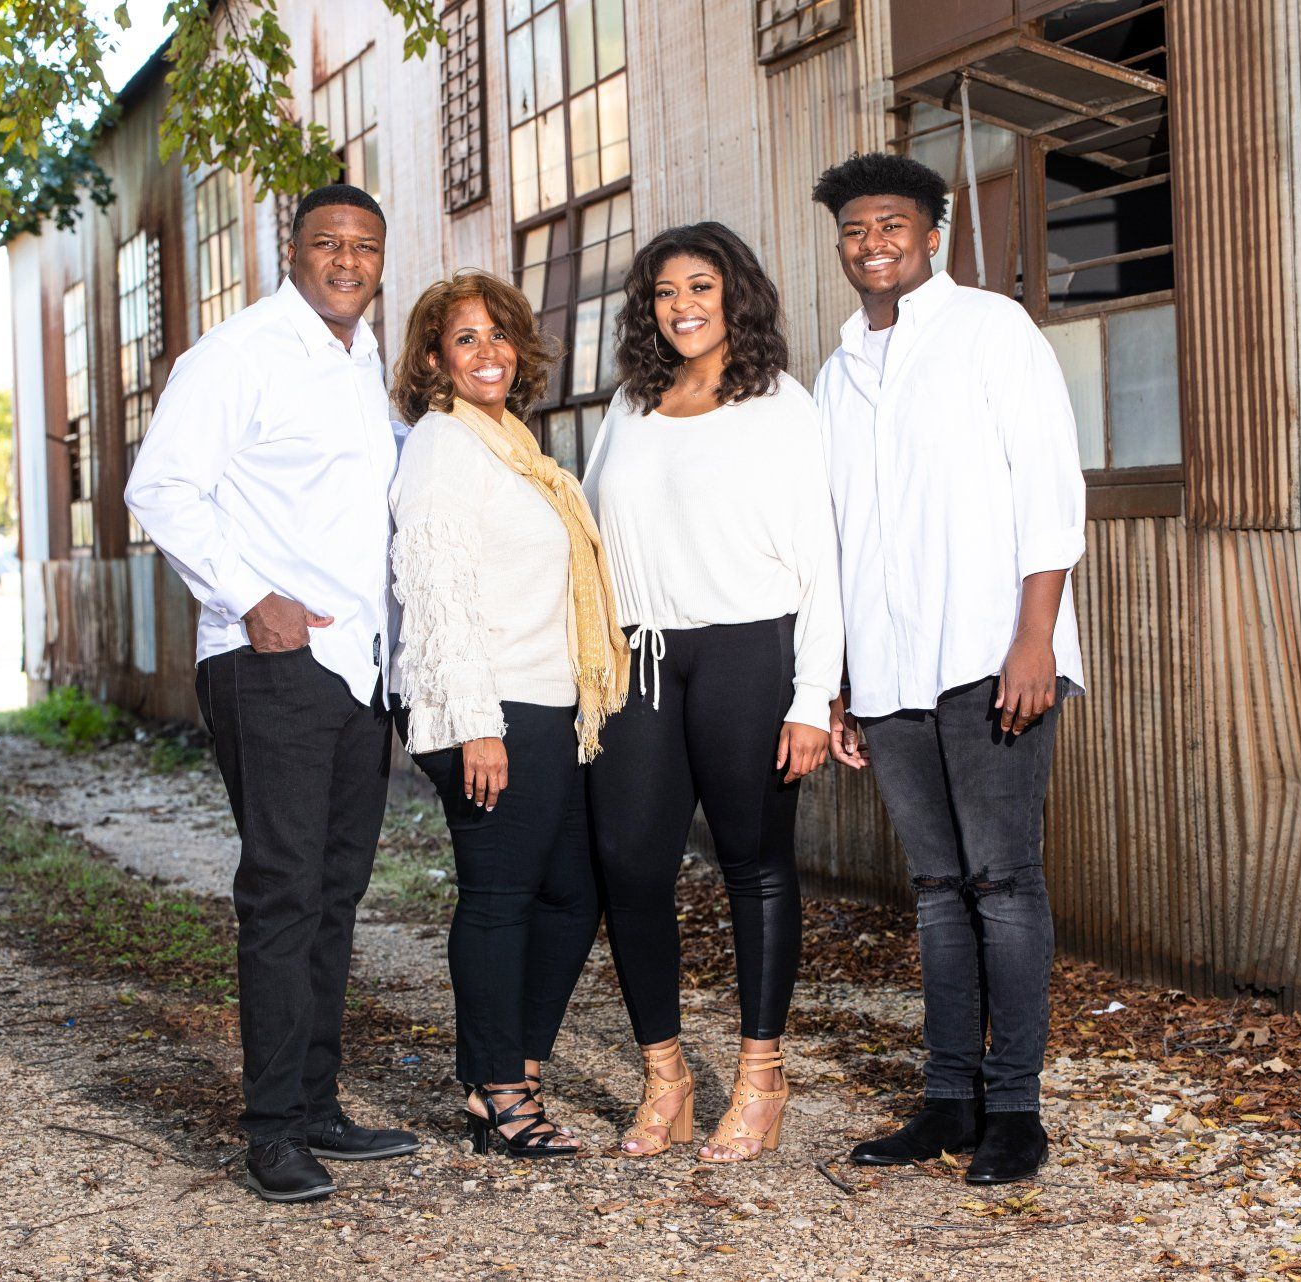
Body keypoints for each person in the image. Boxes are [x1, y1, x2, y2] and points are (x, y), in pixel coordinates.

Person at [124, 183, 420, 1203]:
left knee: (336, 892)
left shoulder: (365, 358)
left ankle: (318, 1101)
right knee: (284, 889)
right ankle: (270, 1129)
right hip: (271, 659)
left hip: (359, 664)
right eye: (328, 243)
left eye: (366, 246)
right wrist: (252, 595)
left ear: (383, 258)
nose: (348, 260)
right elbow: (158, 487)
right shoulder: (235, 355)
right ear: (289, 251)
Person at [810, 154, 1086, 1185]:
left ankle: (1015, 1110)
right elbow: (837, 535)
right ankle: (947, 1103)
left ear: (934, 229)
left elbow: (1051, 489)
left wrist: (1035, 639)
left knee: (1003, 883)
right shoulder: (837, 372)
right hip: (888, 672)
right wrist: (838, 677)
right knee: (934, 890)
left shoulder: (991, 332)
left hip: (990, 654)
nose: (872, 243)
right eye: (854, 230)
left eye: (892, 224)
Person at [583, 222, 843, 1162]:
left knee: (754, 863)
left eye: (701, 285)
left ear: (735, 293)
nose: (683, 305)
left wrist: (814, 694)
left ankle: (761, 1080)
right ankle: (666, 1079)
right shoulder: (630, 405)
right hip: (642, 657)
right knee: (630, 863)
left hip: (748, 651)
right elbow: (590, 533)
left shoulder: (783, 405)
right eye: (664, 292)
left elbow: (823, 559)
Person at [387, 270, 629, 1159]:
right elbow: (435, 589)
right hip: (489, 708)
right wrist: (475, 722)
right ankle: (499, 1095)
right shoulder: (444, 447)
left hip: (545, 702)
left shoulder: (511, 445)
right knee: (500, 897)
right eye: (465, 339)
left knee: (570, 892)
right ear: (433, 359)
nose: (487, 352)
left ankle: (511, 1069)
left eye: (499, 335)